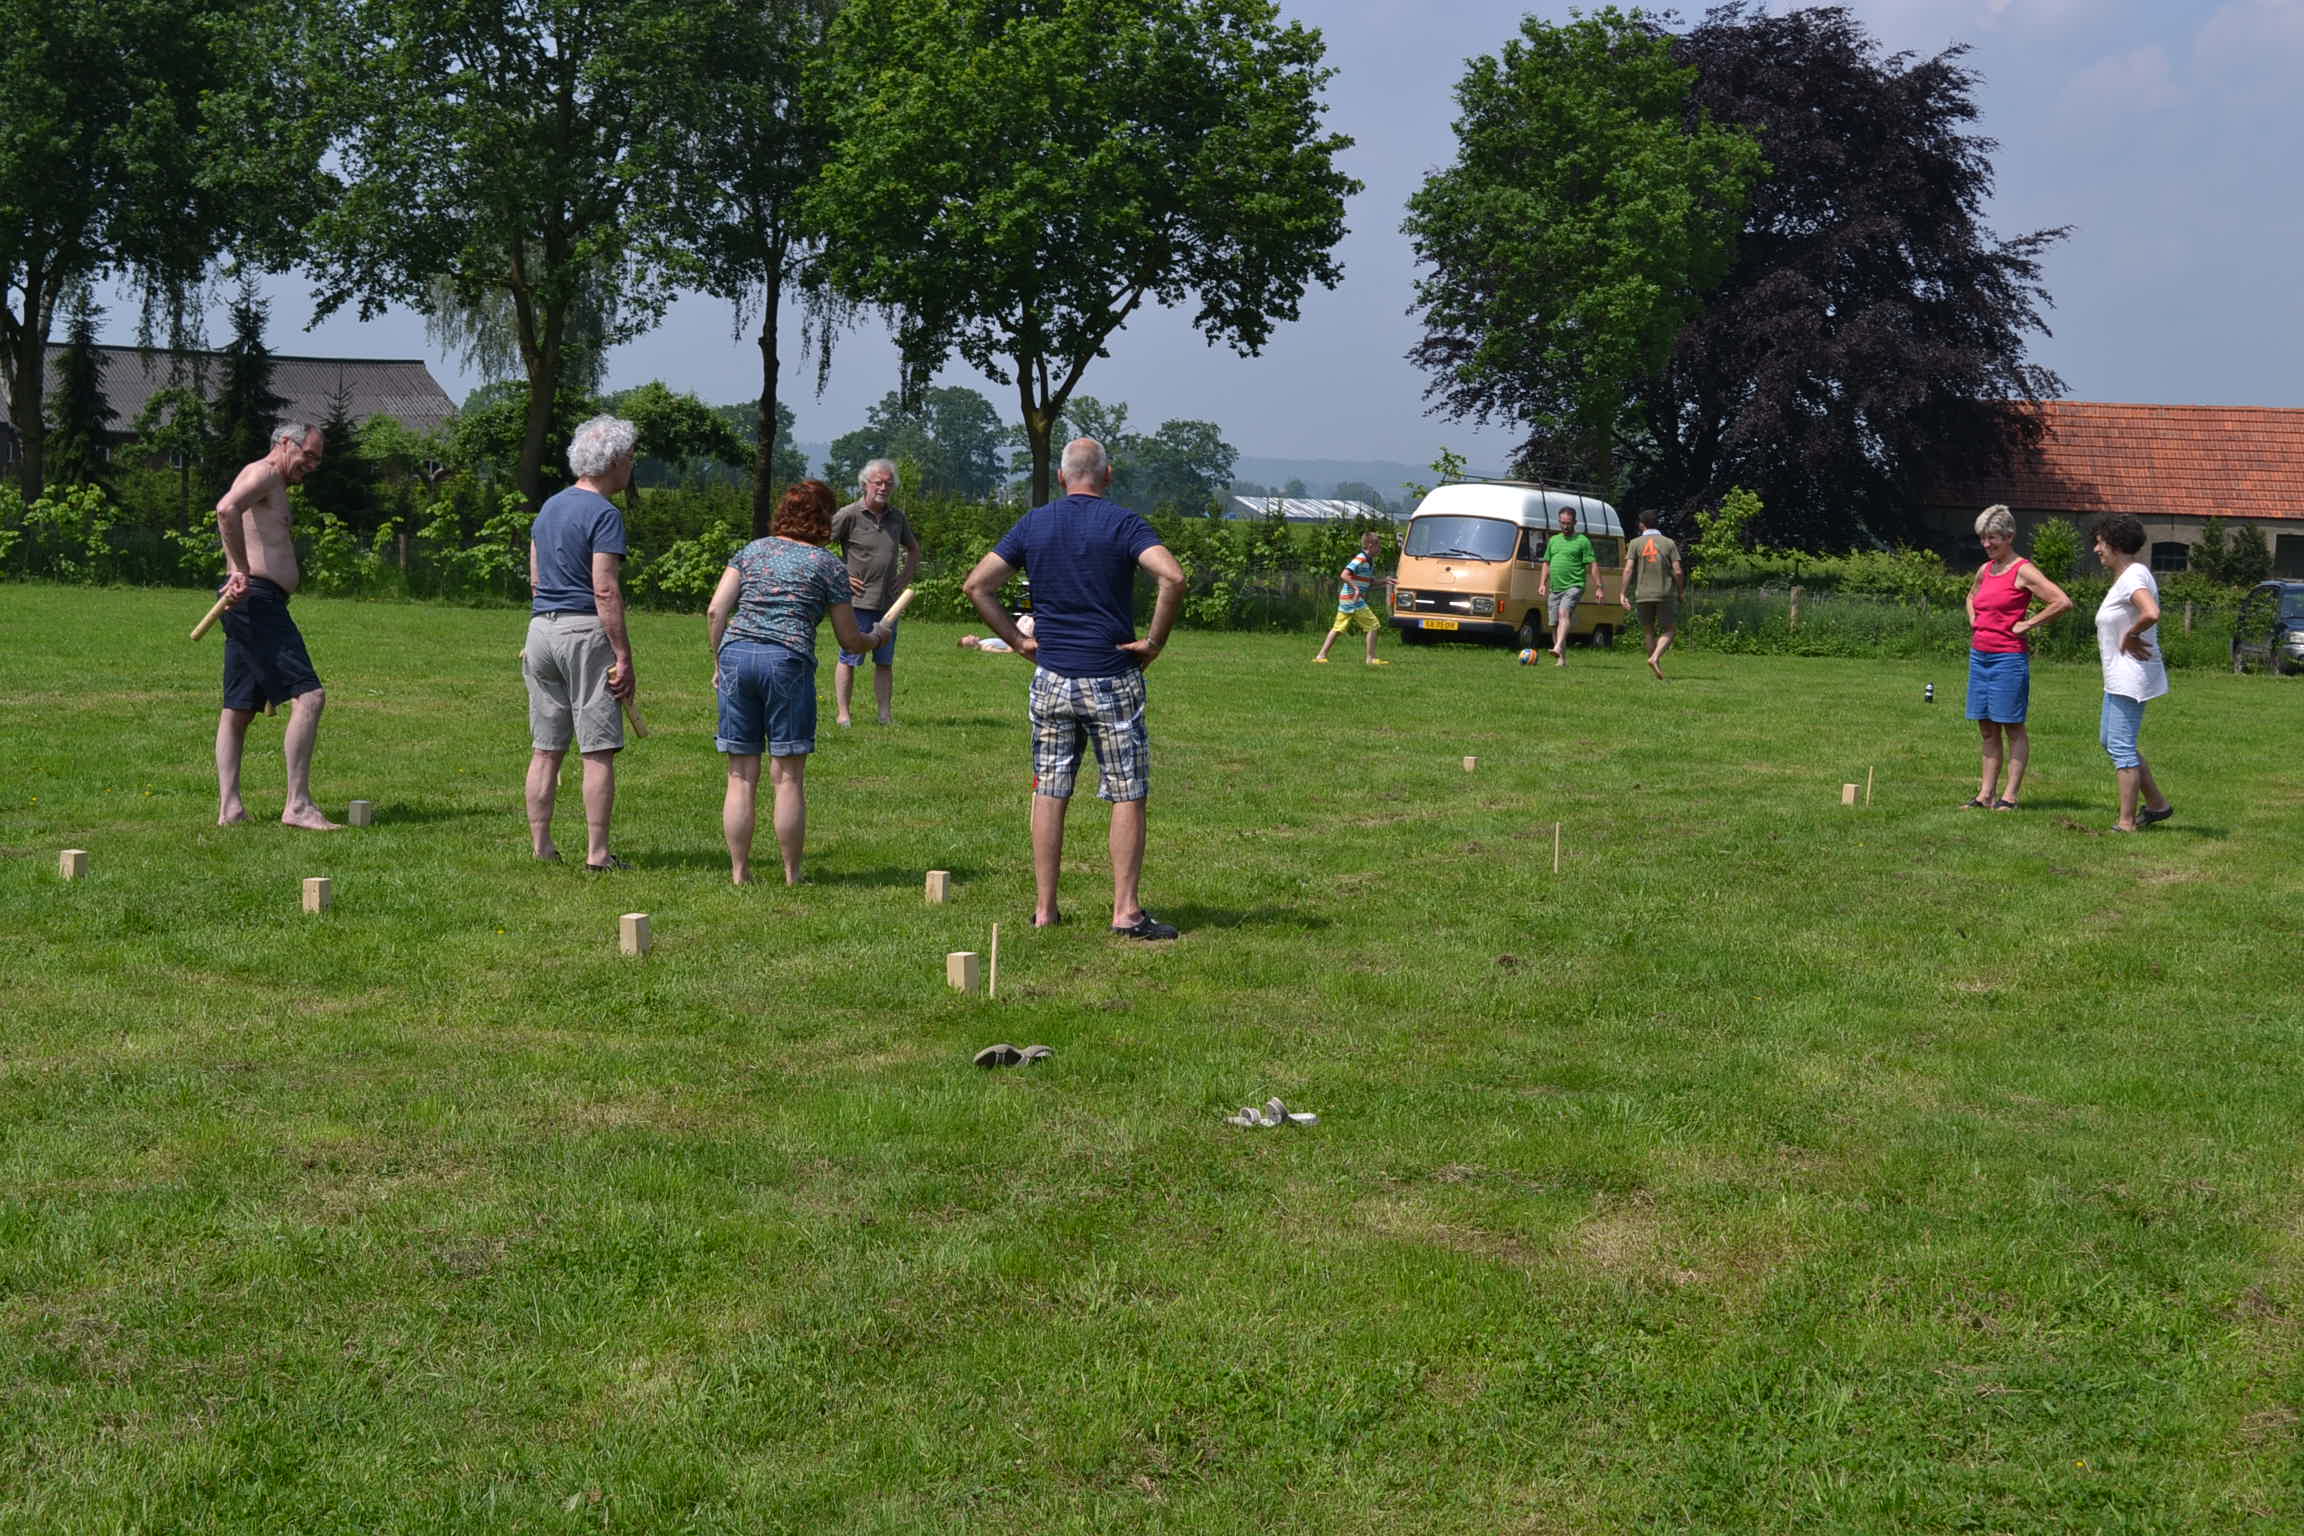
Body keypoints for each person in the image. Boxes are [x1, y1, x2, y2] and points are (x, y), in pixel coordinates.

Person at [962, 438, 1187, 939]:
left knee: (1049, 789)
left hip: (1052, 680)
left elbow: (978, 585)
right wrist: (1153, 642)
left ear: (1062, 478)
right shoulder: (1124, 523)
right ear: (1108, 477)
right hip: (1111, 677)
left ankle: (1045, 909)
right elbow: (1172, 577)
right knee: (1126, 793)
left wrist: (1019, 642)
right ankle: (1125, 912)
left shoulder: (1035, 523)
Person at [706, 481, 892, 885]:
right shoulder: (827, 565)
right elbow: (849, 639)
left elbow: (716, 609)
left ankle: (740, 873)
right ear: (824, 519)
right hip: (786, 661)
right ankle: (791, 875)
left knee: (740, 774)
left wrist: (719, 660)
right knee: (787, 776)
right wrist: (876, 637)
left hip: (737, 654)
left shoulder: (751, 551)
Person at [522, 415, 640, 870]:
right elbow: (605, 588)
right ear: (611, 461)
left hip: (541, 631)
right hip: (584, 632)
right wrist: (623, 655)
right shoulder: (605, 514)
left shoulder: (549, 507)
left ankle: (541, 846)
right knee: (598, 749)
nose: (631, 467)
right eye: (629, 458)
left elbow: (536, 579)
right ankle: (598, 853)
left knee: (546, 748)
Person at [212, 421, 335, 830]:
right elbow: (226, 508)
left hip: (254, 600)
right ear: (286, 443)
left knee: (239, 709)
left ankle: (230, 808)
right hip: (256, 599)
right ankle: (297, 805)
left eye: (317, 459)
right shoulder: (263, 473)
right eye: (309, 455)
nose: (312, 466)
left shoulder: (275, 484)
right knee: (310, 696)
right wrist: (242, 570)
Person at [1960, 503, 2073, 810]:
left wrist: (2028, 623)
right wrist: (1973, 617)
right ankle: (1985, 795)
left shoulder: (2023, 570)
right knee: (1986, 727)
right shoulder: (1986, 569)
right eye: (1983, 538)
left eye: (1992, 538)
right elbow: (1971, 596)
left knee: (2011, 725)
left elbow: (2061, 601)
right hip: (1979, 656)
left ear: (2009, 536)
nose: (1986, 544)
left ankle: (2010, 797)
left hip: (2008, 659)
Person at [2091, 514, 2174, 832]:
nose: (2097, 549)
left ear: (2115, 543)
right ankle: (2157, 804)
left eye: (2100, 542)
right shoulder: (2127, 576)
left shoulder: (2134, 575)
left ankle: (2126, 821)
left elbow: (2151, 612)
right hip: (2119, 676)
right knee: (2109, 740)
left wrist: (2132, 634)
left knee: (2121, 745)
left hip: (2131, 676)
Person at [830, 459, 922, 727]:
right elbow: (820, 543)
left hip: (888, 604)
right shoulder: (849, 514)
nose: (883, 487)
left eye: (888, 483)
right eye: (878, 482)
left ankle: (885, 715)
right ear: (865, 484)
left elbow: (914, 549)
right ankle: (843, 714)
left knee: (884, 661)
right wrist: (841, 577)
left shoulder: (897, 517)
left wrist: (905, 577)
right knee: (849, 657)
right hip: (856, 602)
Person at [1618, 511, 1685, 679]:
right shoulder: (1669, 543)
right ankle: (1655, 658)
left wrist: (1622, 593)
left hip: (1643, 593)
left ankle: (1655, 662)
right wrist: (1681, 590)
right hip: (1664, 593)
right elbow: (1677, 571)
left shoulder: (1634, 543)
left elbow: (1628, 569)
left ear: (1642, 524)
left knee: (1648, 630)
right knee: (1669, 629)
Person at [1536, 506, 1605, 666]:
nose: (1565, 526)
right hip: (1556, 587)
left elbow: (1593, 565)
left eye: (1568, 523)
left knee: (1563, 613)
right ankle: (1561, 659)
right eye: (1562, 523)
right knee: (1554, 623)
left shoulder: (1582, 541)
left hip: (1575, 585)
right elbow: (1546, 563)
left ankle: (1558, 646)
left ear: (1575, 522)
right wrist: (1542, 583)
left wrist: (1599, 587)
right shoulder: (1553, 540)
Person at [1312, 530, 1392, 665]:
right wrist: (1355, 588)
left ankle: (1321, 656)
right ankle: (1371, 658)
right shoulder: (1360, 558)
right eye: (1379, 546)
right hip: (1352, 598)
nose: (1380, 549)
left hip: (1347, 598)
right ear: (1371, 545)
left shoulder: (1368, 561)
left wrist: (1385, 581)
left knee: (1338, 628)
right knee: (1373, 625)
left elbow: (1368, 582)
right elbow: (1344, 575)